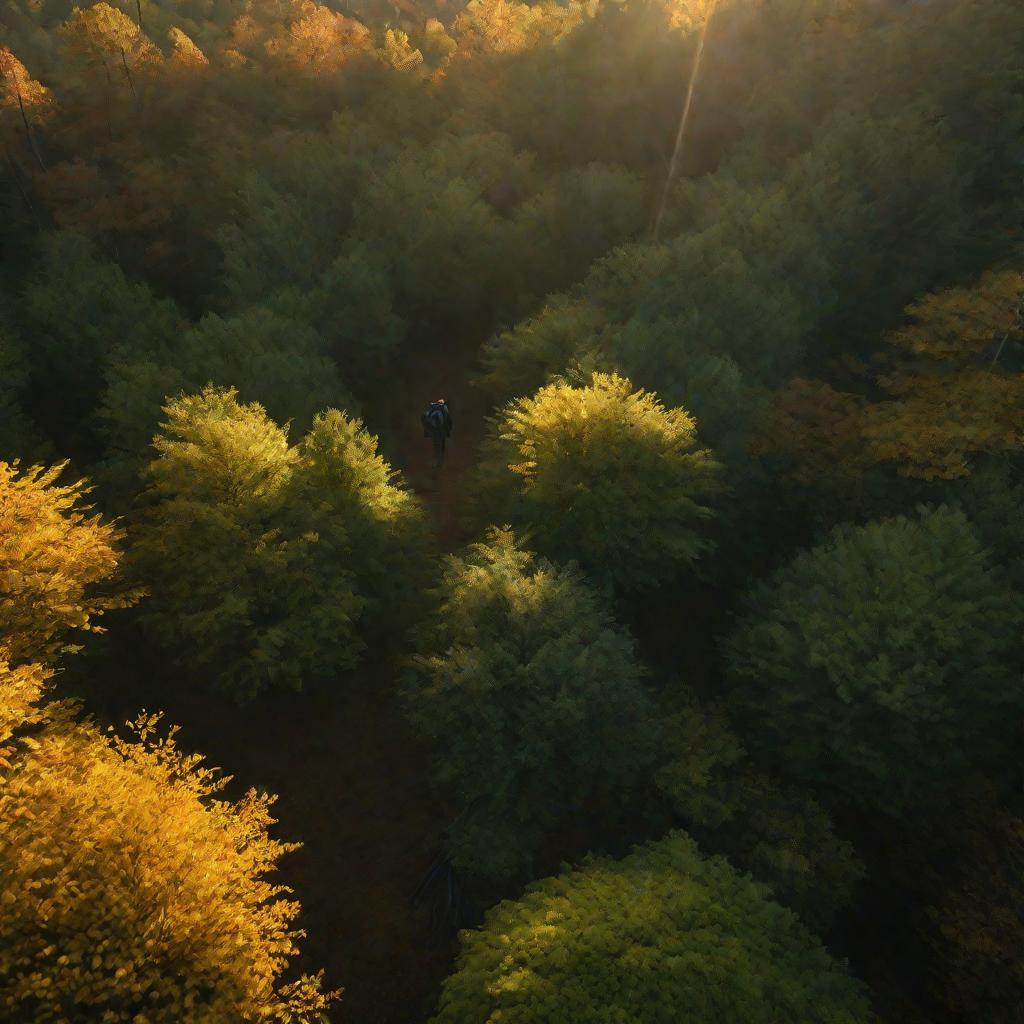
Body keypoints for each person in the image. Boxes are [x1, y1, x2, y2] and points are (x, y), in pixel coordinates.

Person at [422, 399, 453, 467]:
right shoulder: (444, 409)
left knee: (436, 444)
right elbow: (449, 421)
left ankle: (437, 459)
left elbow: (426, 417)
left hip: (434, 430)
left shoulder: (433, 408)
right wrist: (449, 430)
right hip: (442, 430)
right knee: (441, 444)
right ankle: (440, 460)